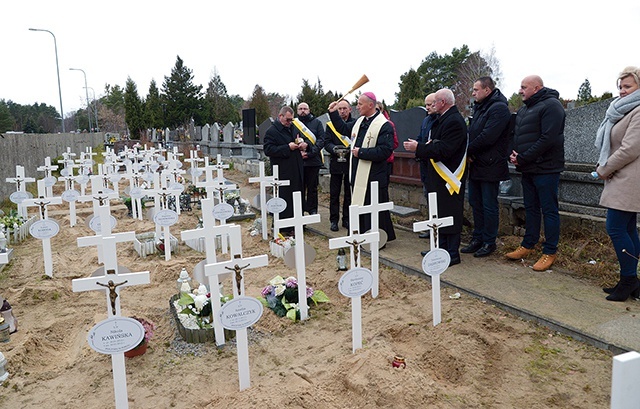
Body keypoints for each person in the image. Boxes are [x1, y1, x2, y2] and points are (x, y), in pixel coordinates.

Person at [506, 75, 565, 271]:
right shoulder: (525, 109)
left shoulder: (552, 106)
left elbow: (548, 138)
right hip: (528, 167)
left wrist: (523, 157)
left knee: (549, 210)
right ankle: (528, 245)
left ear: (537, 88)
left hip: (546, 168)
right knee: (531, 208)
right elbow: (519, 136)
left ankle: (549, 251)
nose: (520, 91)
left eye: (524, 87)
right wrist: (514, 154)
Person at [403, 88, 467, 265]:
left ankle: (452, 253)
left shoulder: (453, 121)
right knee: (440, 213)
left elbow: (445, 149)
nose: (431, 105)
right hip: (438, 176)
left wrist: (419, 148)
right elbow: (436, 144)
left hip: (449, 177)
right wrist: (425, 146)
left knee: (450, 214)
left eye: (434, 102)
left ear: (443, 103)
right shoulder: (443, 119)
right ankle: (441, 248)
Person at [594, 66, 640, 302]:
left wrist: (605, 168)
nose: (622, 91)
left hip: (629, 178)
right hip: (622, 176)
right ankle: (631, 281)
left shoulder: (638, 111)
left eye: (628, 86)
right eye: (620, 86)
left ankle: (629, 279)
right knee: (628, 229)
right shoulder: (621, 110)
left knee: (615, 227)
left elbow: (630, 148)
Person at [328, 92, 396, 243]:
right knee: (361, 205)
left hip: (375, 175)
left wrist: (362, 152)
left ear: (370, 105)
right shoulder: (360, 122)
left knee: (374, 208)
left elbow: (385, 150)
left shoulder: (384, 125)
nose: (357, 107)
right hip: (358, 173)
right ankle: (362, 233)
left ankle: (378, 237)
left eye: (360, 104)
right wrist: (333, 113)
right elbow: (343, 129)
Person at [460, 77, 511, 257]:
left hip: (490, 165)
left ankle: (489, 241)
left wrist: (466, 150)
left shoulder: (499, 108)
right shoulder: (481, 107)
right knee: (476, 203)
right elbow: (472, 132)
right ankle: (477, 238)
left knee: (489, 205)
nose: (473, 93)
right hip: (476, 163)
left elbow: (488, 136)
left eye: (476, 90)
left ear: (487, 90)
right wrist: (469, 152)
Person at [263, 106, 307, 232]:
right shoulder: (272, 131)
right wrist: (287, 147)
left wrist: (303, 145)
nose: (289, 122)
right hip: (283, 170)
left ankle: (298, 223)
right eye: (287, 120)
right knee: (285, 198)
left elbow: (299, 140)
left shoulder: (292, 128)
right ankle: (285, 226)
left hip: (296, 168)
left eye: (291, 120)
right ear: (280, 116)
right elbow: (268, 150)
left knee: (297, 196)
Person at [324, 100, 355, 231]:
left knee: (349, 193)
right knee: (334, 193)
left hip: (350, 162)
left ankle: (347, 219)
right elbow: (327, 142)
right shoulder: (331, 125)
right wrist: (334, 149)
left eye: (344, 108)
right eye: (340, 109)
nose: (342, 111)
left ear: (350, 109)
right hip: (336, 161)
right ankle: (334, 220)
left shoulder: (355, 124)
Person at [293, 102, 325, 215]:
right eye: (300, 109)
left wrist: (310, 150)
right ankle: (299, 209)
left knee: (312, 188)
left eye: (305, 109)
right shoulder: (293, 123)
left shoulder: (317, 123)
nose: (303, 111)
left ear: (309, 110)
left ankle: (312, 210)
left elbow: (322, 140)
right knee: (299, 188)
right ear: (297, 111)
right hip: (297, 161)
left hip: (313, 161)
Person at [416, 93, 438, 239]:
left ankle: (437, 228)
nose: (427, 107)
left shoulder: (440, 121)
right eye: (426, 105)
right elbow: (421, 137)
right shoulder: (426, 120)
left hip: (436, 167)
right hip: (425, 165)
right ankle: (431, 226)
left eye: (430, 104)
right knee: (427, 196)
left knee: (436, 198)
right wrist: (417, 146)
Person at [376, 101, 399, 184]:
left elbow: (395, 143)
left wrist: (382, 148)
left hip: (386, 160)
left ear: (381, 110)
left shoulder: (388, 124)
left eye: (377, 109)